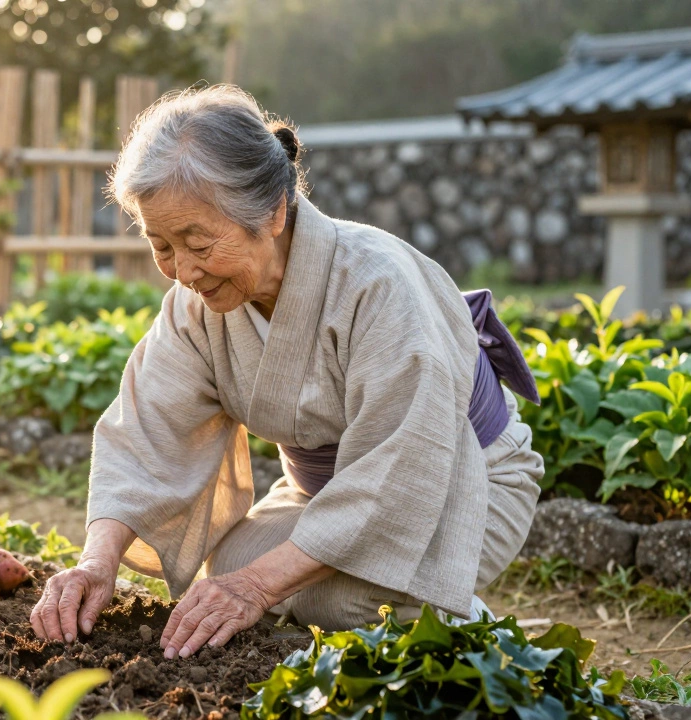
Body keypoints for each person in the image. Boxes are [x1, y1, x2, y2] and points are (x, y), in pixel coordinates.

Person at [29, 85, 544, 660]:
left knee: (338, 604)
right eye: (162, 245)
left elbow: (404, 467)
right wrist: (95, 565)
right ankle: (359, 585)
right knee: (230, 562)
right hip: (322, 494)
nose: (183, 271)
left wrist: (257, 589)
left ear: (274, 212)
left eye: (198, 242)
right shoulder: (195, 305)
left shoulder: (377, 283)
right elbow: (147, 430)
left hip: (460, 481)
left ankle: (477, 629)